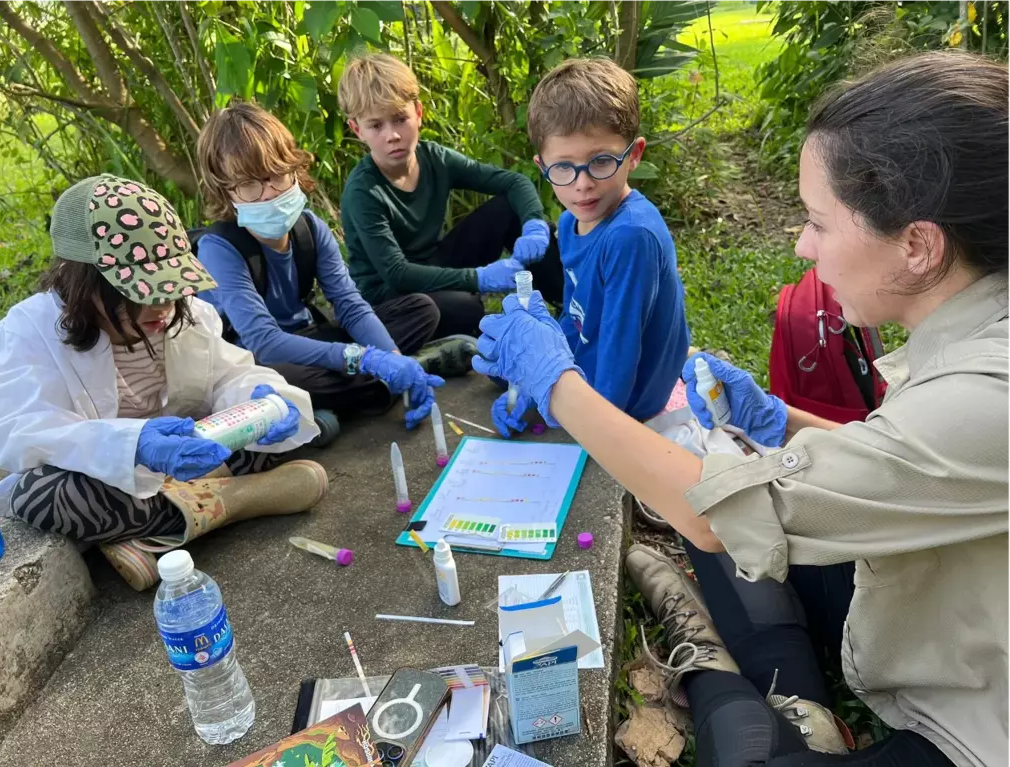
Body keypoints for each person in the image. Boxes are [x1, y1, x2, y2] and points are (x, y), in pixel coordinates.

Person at [472, 51, 1010, 766]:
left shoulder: (989, 392)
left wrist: (553, 380)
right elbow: (905, 457)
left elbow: (717, 511)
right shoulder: (975, 330)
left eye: (818, 221)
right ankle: (795, 695)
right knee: (724, 496)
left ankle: (718, 675)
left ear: (918, 244)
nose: (801, 244)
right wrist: (778, 419)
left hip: (976, 719)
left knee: (719, 514)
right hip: (928, 600)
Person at [0, 175, 330, 592]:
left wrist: (260, 398)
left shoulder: (189, 316)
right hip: (113, 482)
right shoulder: (24, 335)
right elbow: (17, 429)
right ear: (83, 284)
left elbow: (229, 374)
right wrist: (134, 444)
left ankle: (155, 535)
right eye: (142, 292)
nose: (164, 307)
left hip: (189, 460)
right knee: (40, 495)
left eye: (171, 287)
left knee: (267, 422)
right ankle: (235, 501)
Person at [194, 102, 454, 435]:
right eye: (249, 184)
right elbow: (264, 341)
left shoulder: (309, 228)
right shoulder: (219, 248)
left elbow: (350, 305)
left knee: (420, 310)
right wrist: (363, 359)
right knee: (279, 378)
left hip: (310, 340)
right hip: (257, 359)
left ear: (293, 168)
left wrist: (390, 356)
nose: (268, 193)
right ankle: (378, 387)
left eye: (277, 175)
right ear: (226, 191)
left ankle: (343, 397)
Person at [489, 57, 690, 437]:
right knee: (507, 368)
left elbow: (620, 355)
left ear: (634, 154)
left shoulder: (631, 237)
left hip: (632, 397)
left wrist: (596, 431)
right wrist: (531, 388)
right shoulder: (569, 223)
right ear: (541, 165)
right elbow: (574, 313)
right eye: (563, 167)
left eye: (600, 161)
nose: (582, 184)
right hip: (595, 359)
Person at [337, 53, 564, 340]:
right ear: (357, 129)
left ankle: (572, 306)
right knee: (466, 309)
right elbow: (396, 273)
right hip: (390, 297)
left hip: (434, 264)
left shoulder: (434, 159)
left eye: (399, 119)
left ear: (418, 113)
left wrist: (534, 226)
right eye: (376, 126)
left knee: (507, 210)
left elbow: (513, 182)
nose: (392, 135)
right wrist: (479, 278)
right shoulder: (363, 191)